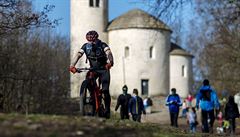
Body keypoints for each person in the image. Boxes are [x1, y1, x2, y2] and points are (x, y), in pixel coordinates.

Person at [69, 30, 114, 118]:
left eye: (93, 41)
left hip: (103, 69)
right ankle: (91, 95)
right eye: (89, 41)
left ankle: (107, 109)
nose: (91, 43)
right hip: (93, 69)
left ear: (97, 39)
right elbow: (78, 55)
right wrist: (72, 65)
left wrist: (111, 62)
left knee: (105, 90)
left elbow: (109, 53)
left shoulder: (102, 45)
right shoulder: (85, 46)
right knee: (88, 79)